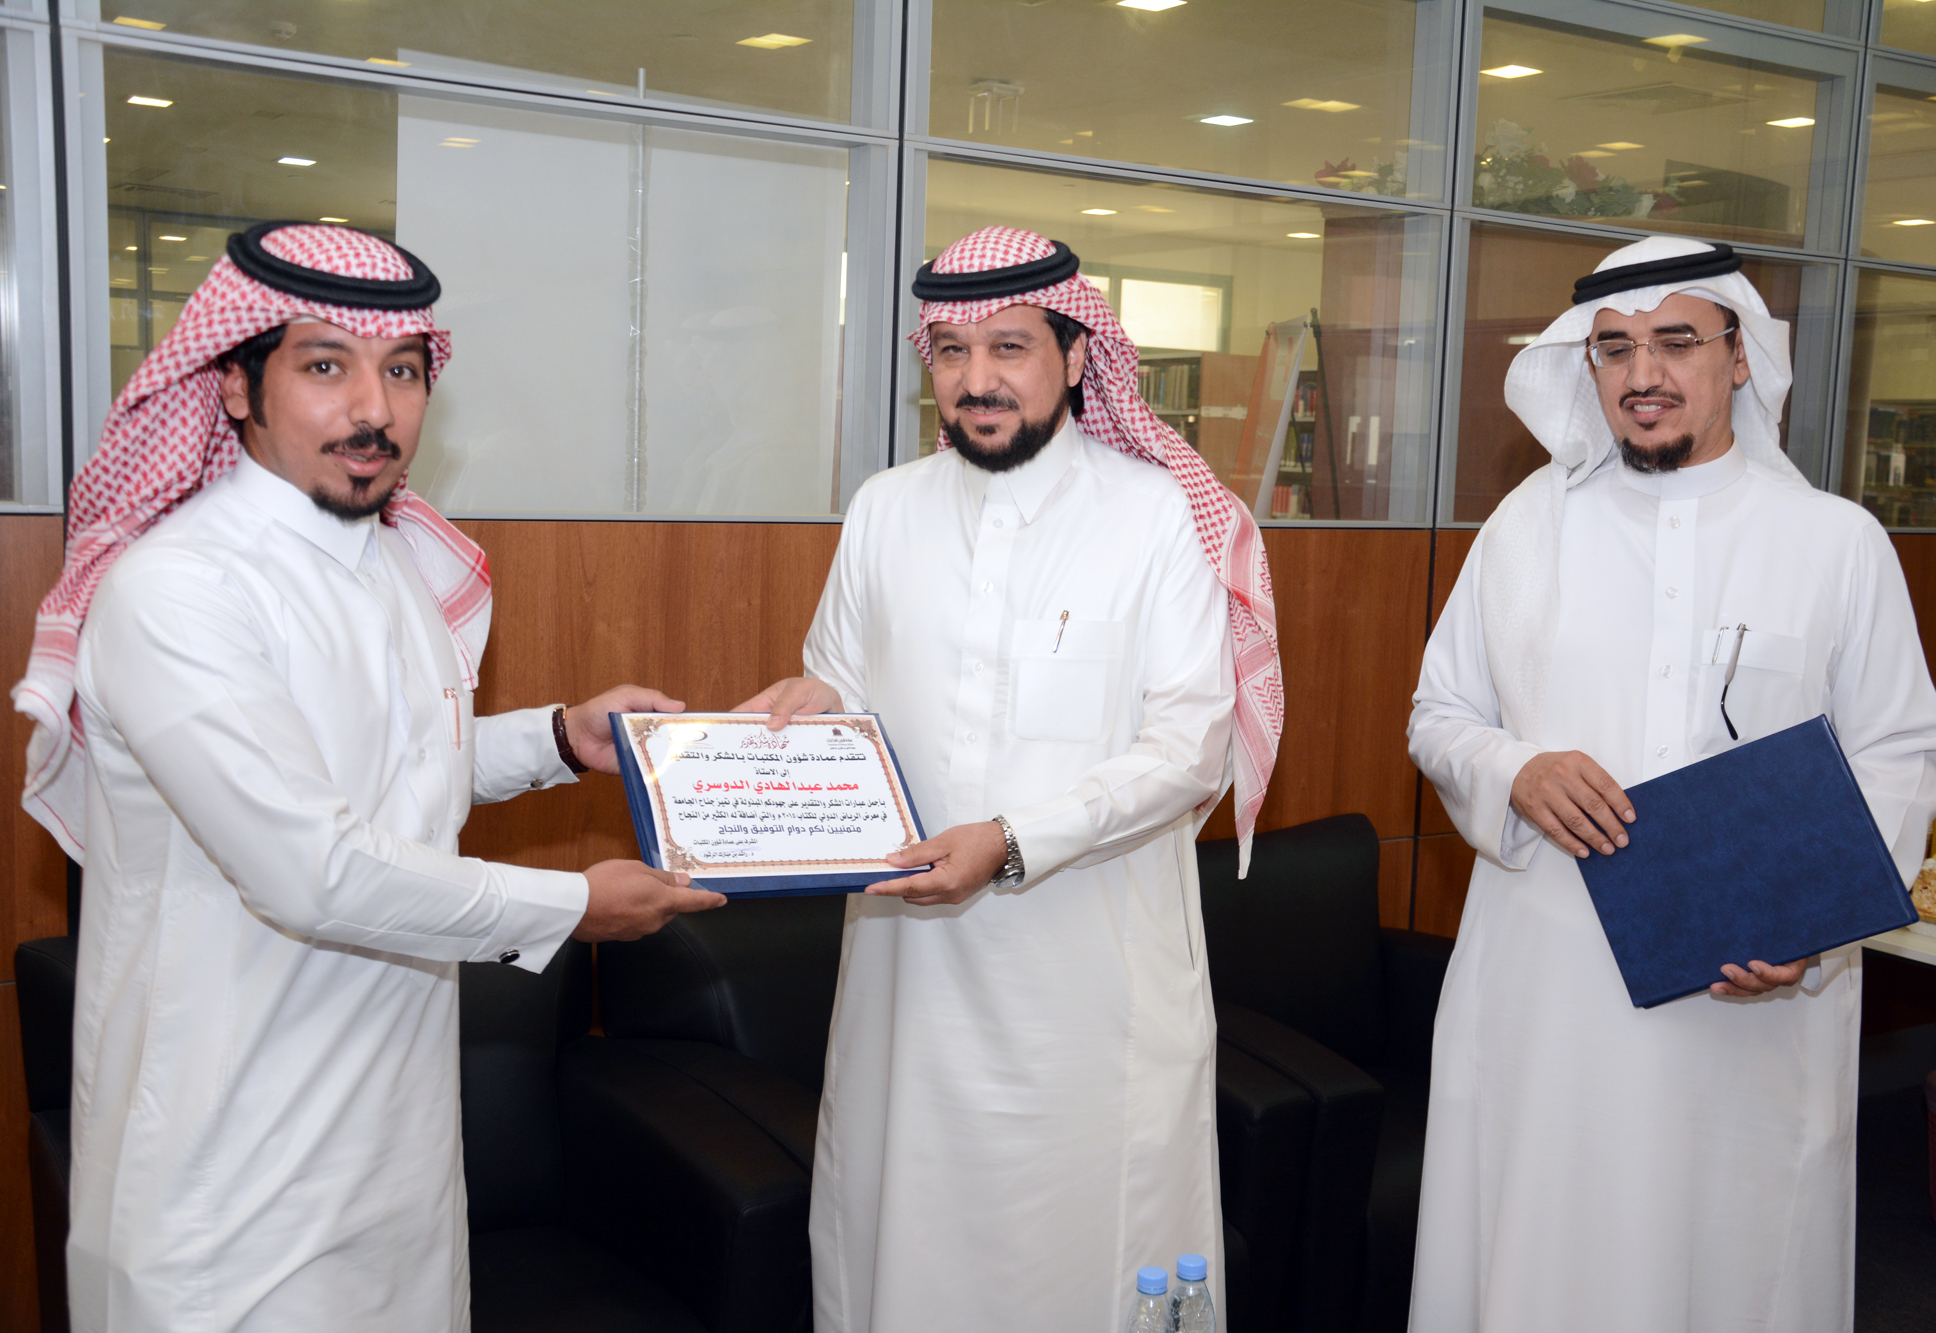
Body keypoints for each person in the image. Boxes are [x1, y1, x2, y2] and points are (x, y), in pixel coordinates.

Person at [9, 222, 724, 1332]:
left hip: (398, 1148)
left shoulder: (392, 562)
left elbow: (395, 771)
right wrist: (572, 905)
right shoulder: (177, 589)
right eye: (325, 366)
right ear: (237, 384)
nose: (373, 409)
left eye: (402, 371)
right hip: (227, 1167)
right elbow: (312, 868)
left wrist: (555, 737)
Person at [737, 226, 1284, 1331]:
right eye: (950, 350)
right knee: (907, 1236)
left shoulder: (1156, 516)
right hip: (909, 982)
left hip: (1087, 987)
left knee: (1082, 1254)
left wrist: (1014, 840)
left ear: (1078, 357)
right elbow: (842, 681)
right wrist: (802, 714)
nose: (976, 378)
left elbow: (1190, 746)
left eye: (1009, 346)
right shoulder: (885, 507)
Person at [1406, 235, 1936, 1331]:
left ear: (1739, 356)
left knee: (1733, 1261)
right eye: (1613, 349)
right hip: (1550, 989)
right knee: (1546, 1251)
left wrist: (1813, 930)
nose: (1642, 373)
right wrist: (1515, 768)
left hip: (1750, 999)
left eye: (1675, 342)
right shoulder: (1524, 530)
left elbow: (1900, 748)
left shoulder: (1835, 542)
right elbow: (1439, 714)